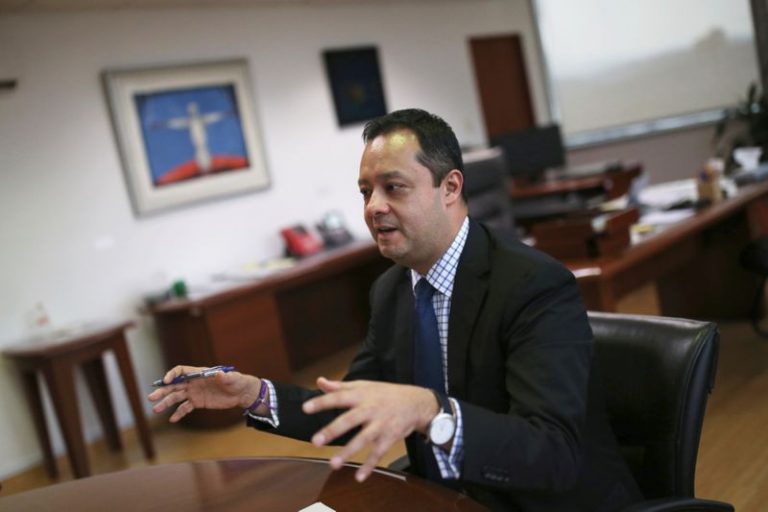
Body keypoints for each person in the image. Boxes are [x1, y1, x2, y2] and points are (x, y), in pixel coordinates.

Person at [149, 108, 642, 511]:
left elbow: (551, 453)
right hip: (441, 498)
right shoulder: (391, 291)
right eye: (366, 192)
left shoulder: (533, 285)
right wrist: (254, 394)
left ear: (450, 188)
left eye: (393, 187)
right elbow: (353, 407)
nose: (372, 207)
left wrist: (431, 412)